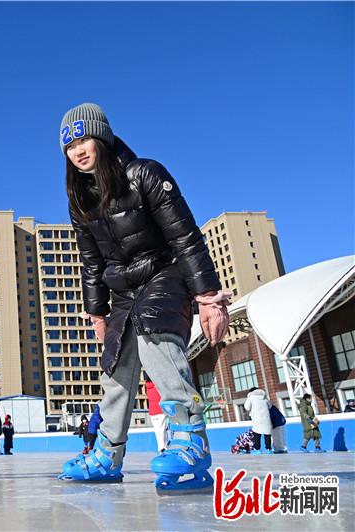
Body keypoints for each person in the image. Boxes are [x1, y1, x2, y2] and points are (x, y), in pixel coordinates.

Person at [57, 103, 231, 494]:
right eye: (70, 146)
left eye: (85, 139)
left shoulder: (146, 174)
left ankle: (190, 442)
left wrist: (207, 299)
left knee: (155, 339)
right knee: (115, 367)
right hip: (122, 289)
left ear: (102, 137)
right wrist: (97, 314)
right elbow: (91, 262)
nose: (79, 150)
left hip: (163, 272)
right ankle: (106, 454)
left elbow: (185, 237)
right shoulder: (80, 200)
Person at [244, 387, 273, 454]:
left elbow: (247, 407)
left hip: (257, 418)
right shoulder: (265, 397)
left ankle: (257, 449)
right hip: (266, 418)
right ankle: (269, 449)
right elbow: (270, 406)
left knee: (257, 434)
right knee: (267, 434)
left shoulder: (251, 398)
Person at [144, 373, 168, 453]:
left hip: (152, 412)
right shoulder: (157, 385)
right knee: (163, 429)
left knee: (158, 430)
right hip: (160, 410)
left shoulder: (147, 387)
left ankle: (161, 447)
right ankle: (164, 447)